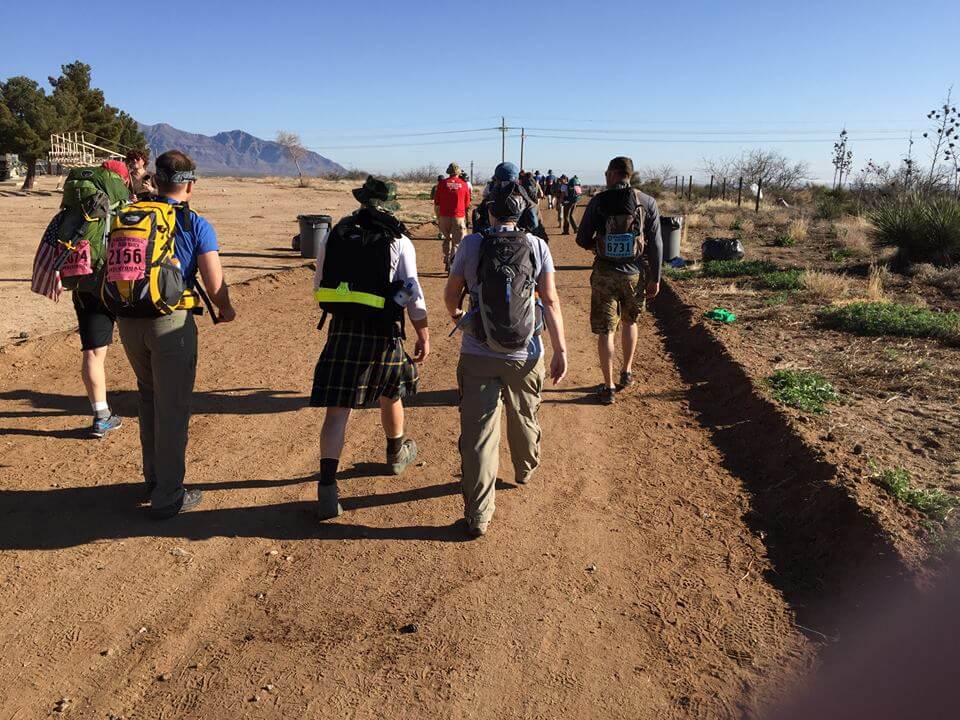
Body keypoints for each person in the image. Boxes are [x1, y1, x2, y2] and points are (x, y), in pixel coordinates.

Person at [114, 150, 236, 517]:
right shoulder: (195, 224)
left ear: (159, 180)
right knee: (173, 408)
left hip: (128, 318)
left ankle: (153, 479)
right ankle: (169, 495)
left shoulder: (133, 214)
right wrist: (226, 308)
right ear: (190, 185)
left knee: (148, 398)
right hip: (170, 323)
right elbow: (214, 284)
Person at [444, 189, 567, 538]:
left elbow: (452, 292)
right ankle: (525, 469)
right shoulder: (538, 246)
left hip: (478, 353)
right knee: (525, 414)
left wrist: (458, 315)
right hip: (525, 355)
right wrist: (560, 350)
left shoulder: (471, 245)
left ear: (488, 213)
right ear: (522, 213)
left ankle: (479, 516)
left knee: (480, 436)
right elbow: (551, 300)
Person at [311, 176, 430, 521]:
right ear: (390, 205)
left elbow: (319, 286)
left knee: (337, 410)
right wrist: (423, 334)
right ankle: (396, 454)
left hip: (343, 328)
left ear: (362, 201)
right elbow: (413, 294)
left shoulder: (337, 232)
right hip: (383, 330)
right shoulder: (400, 240)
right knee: (391, 391)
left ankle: (328, 489)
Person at [575, 156, 662, 405]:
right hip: (635, 274)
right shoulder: (647, 202)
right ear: (630, 175)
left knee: (606, 331)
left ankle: (609, 385)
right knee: (630, 322)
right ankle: (627, 371)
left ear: (612, 174)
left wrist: (598, 247)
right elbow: (656, 244)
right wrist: (655, 278)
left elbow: (581, 238)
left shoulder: (599, 201)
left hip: (604, 273)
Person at [72, 160, 132, 438]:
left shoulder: (78, 206)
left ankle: (101, 415)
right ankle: (155, 401)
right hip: (120, 283)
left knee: (93, 353)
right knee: (146, 341)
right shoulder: (124, 206)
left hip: (84, 282)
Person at [434, 162, 471, 272]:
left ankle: (446, 257)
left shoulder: (442, 183)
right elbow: (467, 203)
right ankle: (453, 262)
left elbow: (437, 202)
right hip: (458, 217)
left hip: (444, 216)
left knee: (447, 238)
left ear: (448, 172)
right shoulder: (464, 184)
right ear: (458, 173)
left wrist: (438, 216)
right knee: (457, 243)